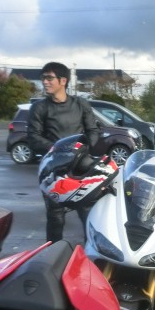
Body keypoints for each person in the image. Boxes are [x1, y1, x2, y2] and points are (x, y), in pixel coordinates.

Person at [27, 61, 100, 242]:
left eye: (49, 78)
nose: (45, 82)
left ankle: (92, 254)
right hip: (54, 169)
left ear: (63, 81)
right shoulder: (39, 107)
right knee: (55, 216)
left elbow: (93, 131)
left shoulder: (81, 104)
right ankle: (53, 252)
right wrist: (59, 151)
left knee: (87, 214)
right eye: (43, 78)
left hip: (81, 168)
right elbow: (33, 137)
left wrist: (83, 150)